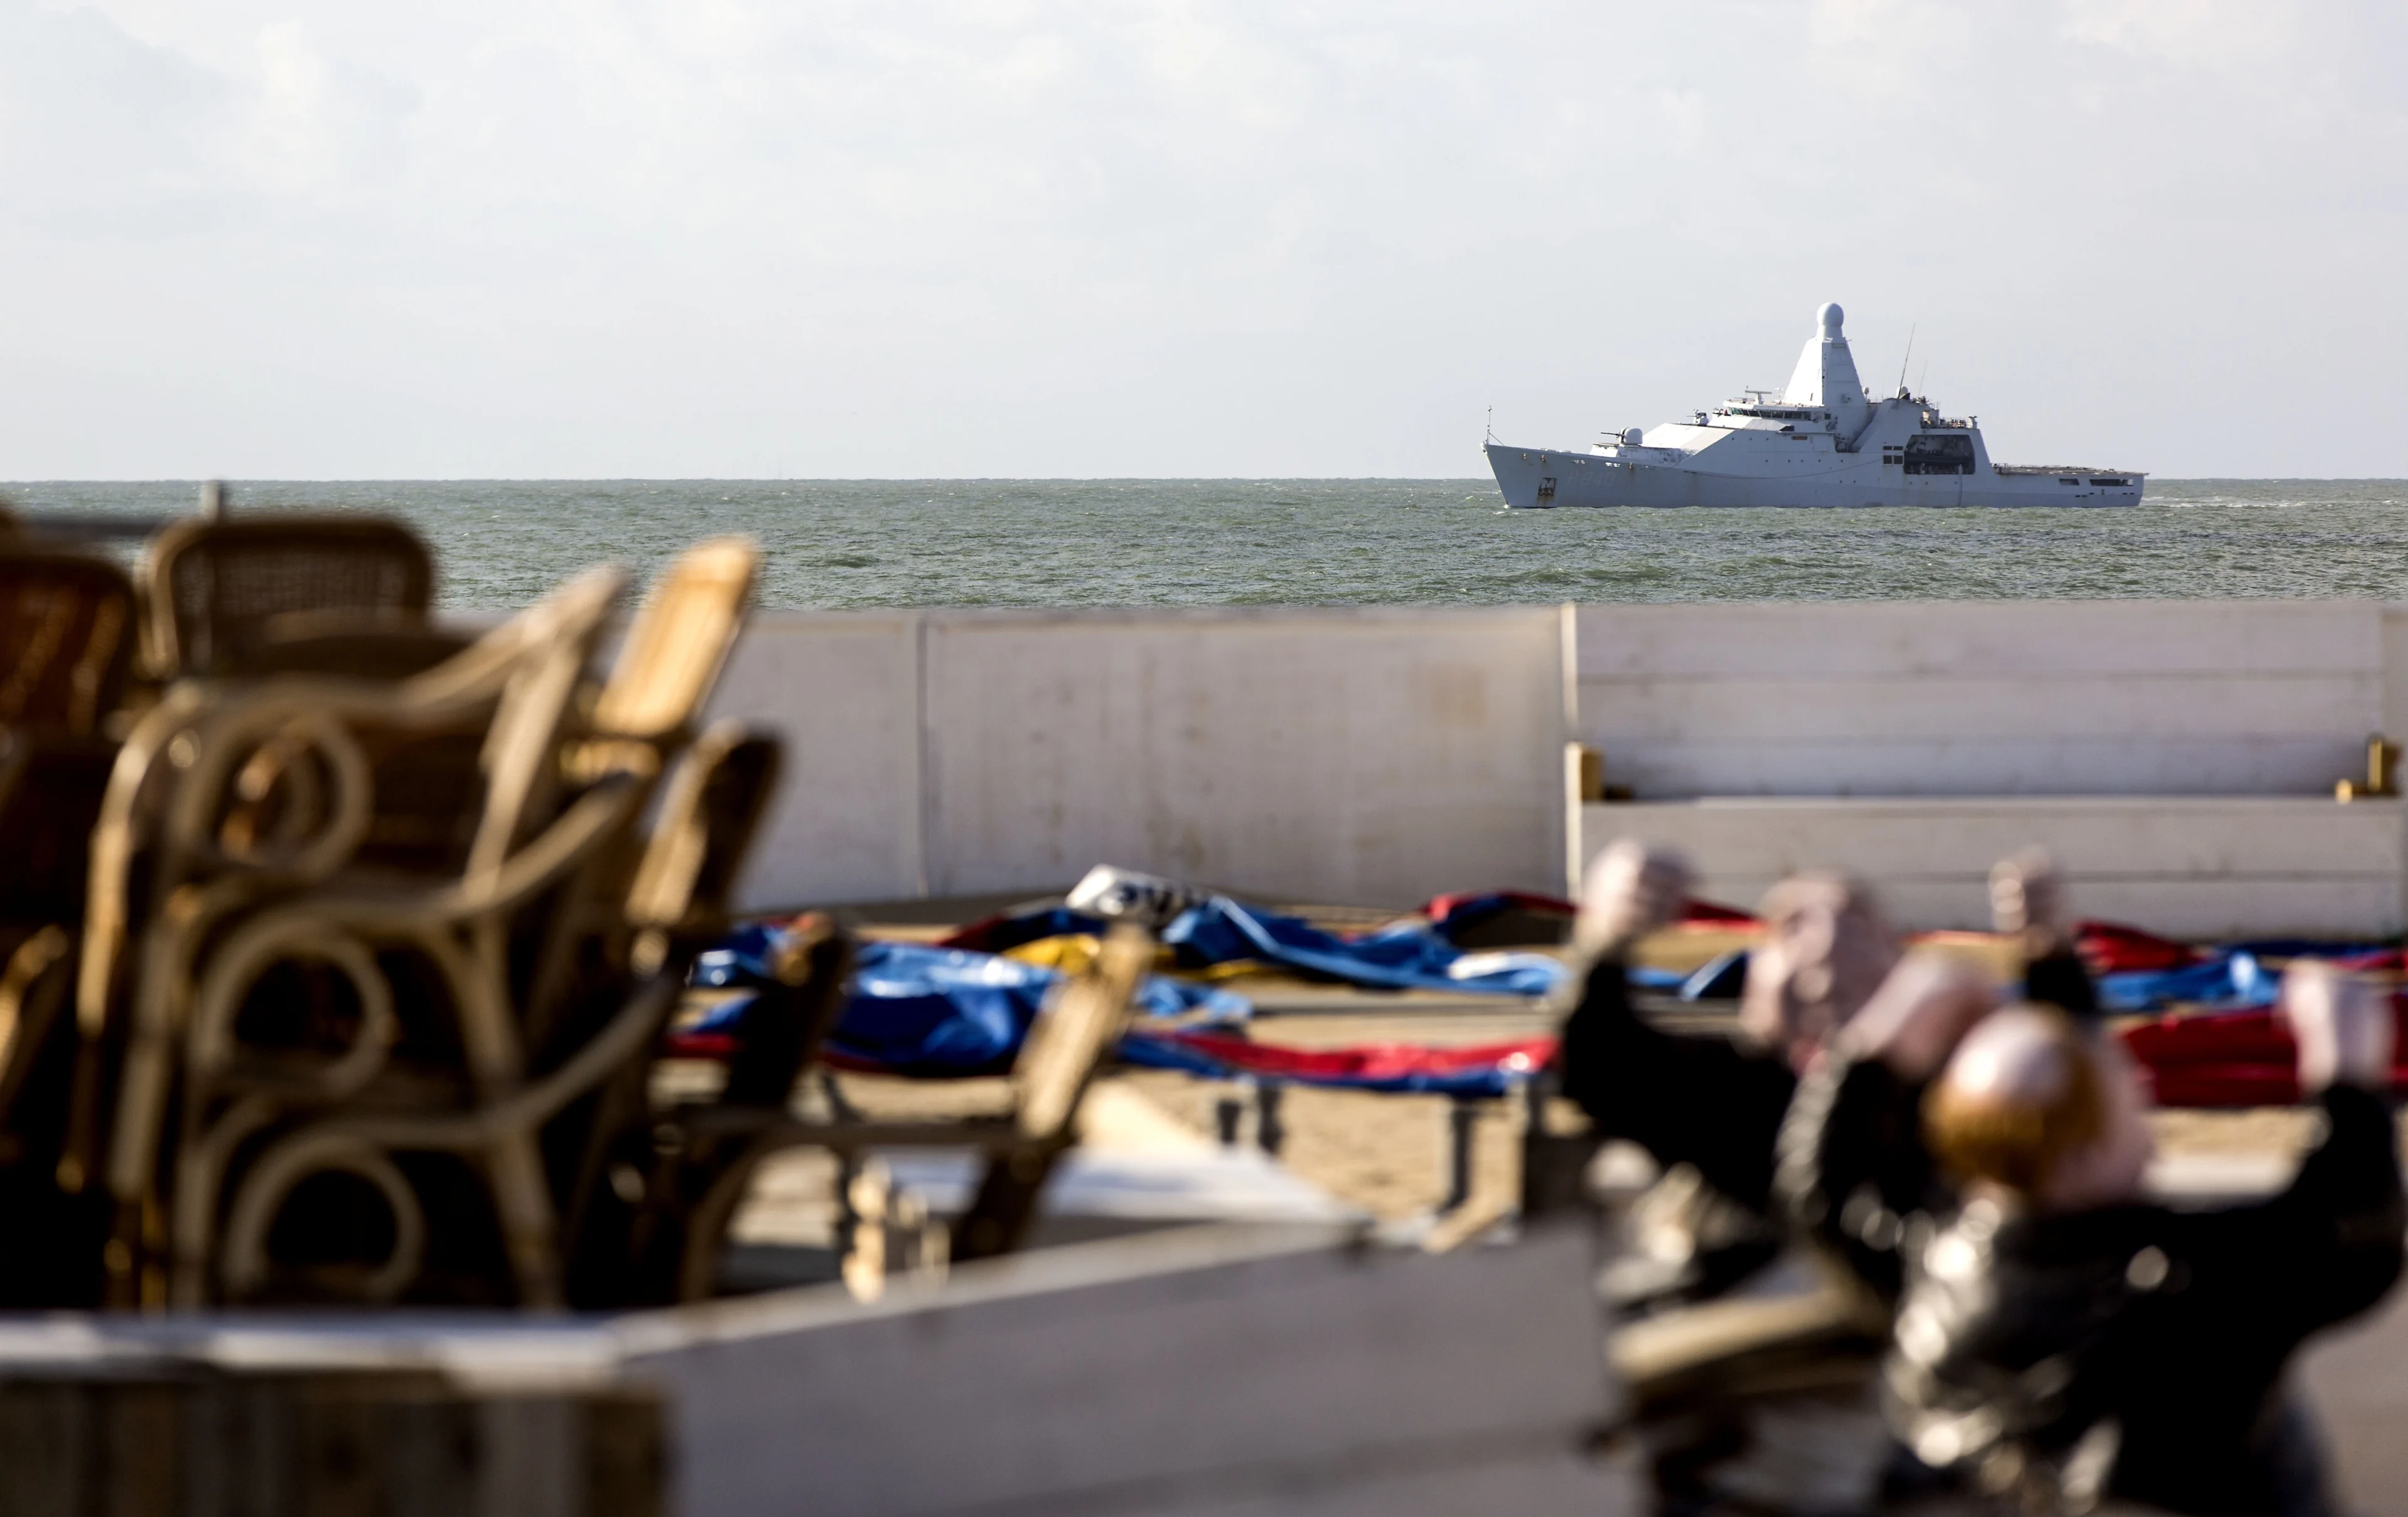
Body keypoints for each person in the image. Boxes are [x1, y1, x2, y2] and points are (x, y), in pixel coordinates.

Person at [1884, 965, 2403, 1514]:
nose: (2150, 1130)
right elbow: (2346, 1234)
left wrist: (1879, 1049)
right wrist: (2345, 1074)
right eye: (2131, 1103)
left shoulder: (1936, 1260)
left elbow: (1830, 1197)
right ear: (2084, 1152)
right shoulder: (2180, 1282)